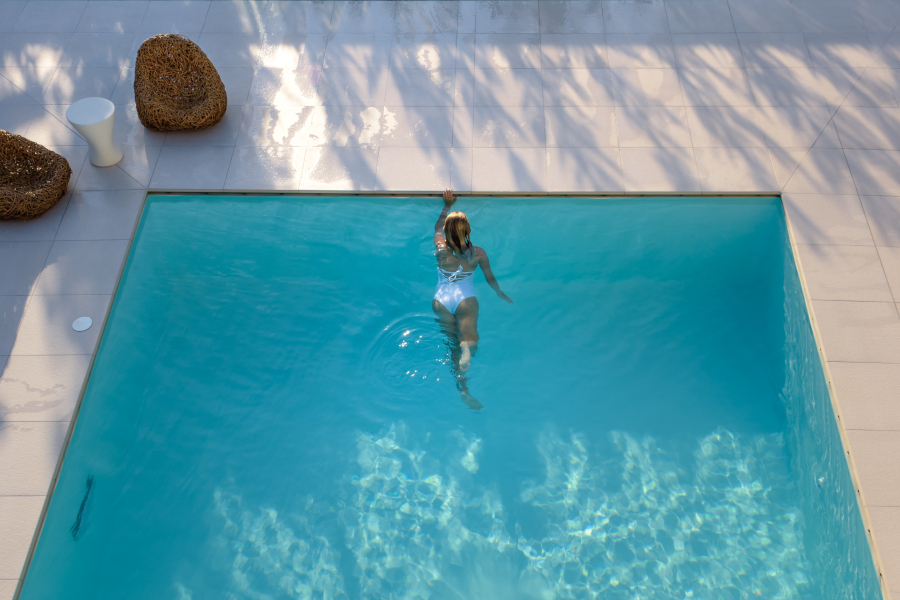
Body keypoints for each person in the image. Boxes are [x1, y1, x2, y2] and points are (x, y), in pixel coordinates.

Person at [433, 189, 512, 410]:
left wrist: (447, 206)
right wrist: (500, 293)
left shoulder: (440, 246)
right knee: (468, 340)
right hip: (465, 299)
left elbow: (437, 227)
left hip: (440, 300)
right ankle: (467, 350)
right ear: (468, 230)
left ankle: (462, 387)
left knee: (451, 346)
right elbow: (490, 278)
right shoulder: (478, 253)